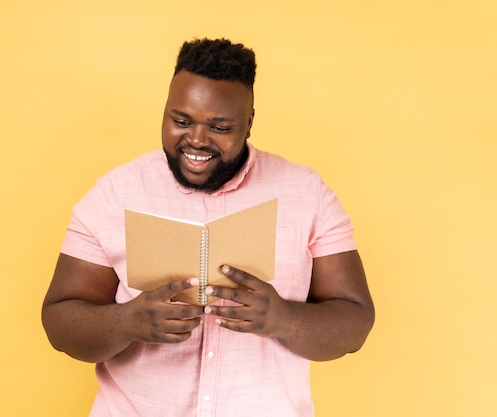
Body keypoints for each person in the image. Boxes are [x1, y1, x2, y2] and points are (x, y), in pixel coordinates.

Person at [42, 38, 375, 417]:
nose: (196, 140)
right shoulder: (112, 195)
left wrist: (285, 319)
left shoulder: (307, 193)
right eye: (180, 121)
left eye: (219, 127)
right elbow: (59, 321)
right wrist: (126, 322)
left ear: (248, 122)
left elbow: (355, 321)